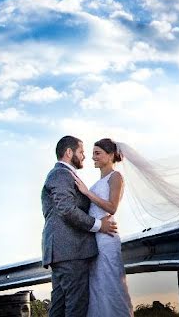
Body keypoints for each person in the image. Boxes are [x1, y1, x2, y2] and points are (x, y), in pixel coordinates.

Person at [42, 136, 117, 317]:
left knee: (59, 308)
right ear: (69, 152)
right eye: (81, 152)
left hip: (64, 252)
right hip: (70, 251)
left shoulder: (64, 175)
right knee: (76, 307)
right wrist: (99, 225)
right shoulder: (61, 174)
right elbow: (66, 209)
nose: (84, 156)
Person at [73, 138, 134, 317]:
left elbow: (112, 207)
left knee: (111, 286)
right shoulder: (97, 182)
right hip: (95, 238)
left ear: (110, 155)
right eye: (92, 154)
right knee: (97, 288)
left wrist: (86, 193)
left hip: (107, 239)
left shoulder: (116, 177)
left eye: (97, 153)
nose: (93, 158)